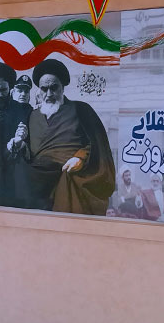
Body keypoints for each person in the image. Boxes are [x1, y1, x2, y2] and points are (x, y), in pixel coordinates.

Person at [17, 59, 115, 215]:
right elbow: (29, 152)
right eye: (44, 89)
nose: (49, 94)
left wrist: (80, 158)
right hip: (37, 179)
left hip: (69, 175)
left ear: (62, 87)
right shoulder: (32, 116)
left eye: (54, 88)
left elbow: (98, 144)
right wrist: (22, 147)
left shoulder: (81, 109)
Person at [0, 62, 32, 207]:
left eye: (3, 89)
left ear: (10, 88)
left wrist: (22, 142)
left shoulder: (22, 110)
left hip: (15, 181)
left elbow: (33, 144)